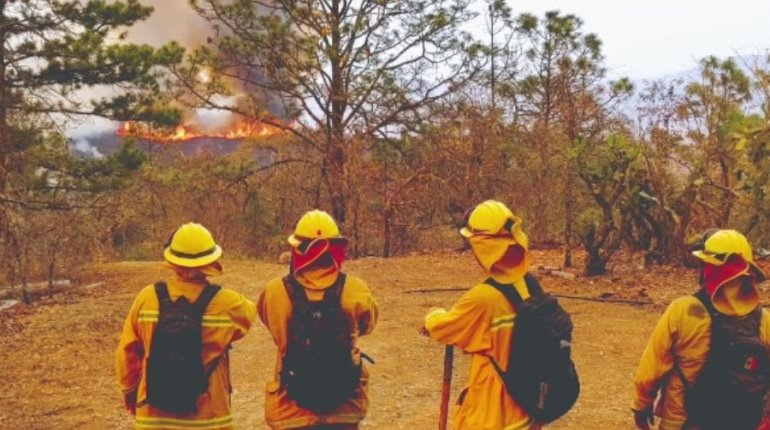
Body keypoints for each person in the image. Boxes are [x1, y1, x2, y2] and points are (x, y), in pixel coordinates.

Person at [422, 200, 549, 430]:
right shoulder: (528, 284)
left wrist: (432, 316)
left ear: (481, 247)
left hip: (492, 416)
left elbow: (445, 327)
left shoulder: (483, 298)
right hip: (526, 411)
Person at [116, 222, 256, 430]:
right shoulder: (228, 304)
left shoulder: (146, 298)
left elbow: (128, 351)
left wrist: (129, 390)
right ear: (212, 260)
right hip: (209, 419)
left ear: (171, 259)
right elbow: (251, 314)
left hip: (153, 419)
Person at [633, 229, 770, 430]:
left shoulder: (684, 310)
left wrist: (641, 405)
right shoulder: (764, 320)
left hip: (683, 423)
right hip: (744, 422)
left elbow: (651, 370)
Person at [259, 209, 378, 429]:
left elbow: (274, 329)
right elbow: (366, 326)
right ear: (335, 249)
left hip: (290, 408)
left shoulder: (275, 290)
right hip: (345, 406)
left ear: (296, 249)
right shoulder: (355, 288)